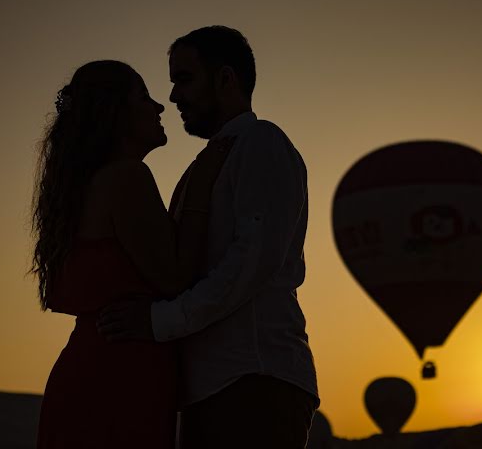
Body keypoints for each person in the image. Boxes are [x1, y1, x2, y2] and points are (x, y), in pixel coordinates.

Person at [98, 26, 320, 448]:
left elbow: (249, 263)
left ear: (225, 79)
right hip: (212, 386)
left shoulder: (261, 143)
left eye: (184, 79)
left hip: (252, 378)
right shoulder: (211, 162)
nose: (174, 97)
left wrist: (158, 321)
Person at [32, 60, 234, 448]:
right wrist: (202, 185)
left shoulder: (86, 188)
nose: (160, 107)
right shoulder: (126, 177)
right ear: (115, 113)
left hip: (98, 368)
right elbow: (174, 277)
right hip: (120, 373)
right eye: (143, 96)